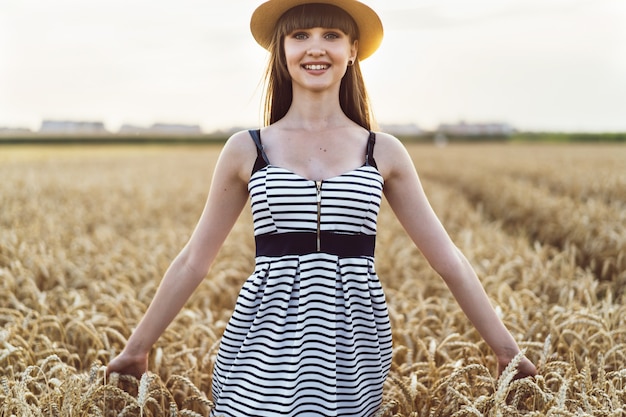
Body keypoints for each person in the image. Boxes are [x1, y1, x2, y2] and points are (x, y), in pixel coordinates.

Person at [106, 0, 537, 415]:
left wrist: (507, 351)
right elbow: (193, 261)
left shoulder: (382, 152)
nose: (315, 47)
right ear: (283, 51)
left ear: (352, 51)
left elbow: (450, 261)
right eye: (300, 35)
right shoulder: (246, 149)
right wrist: (136, 349)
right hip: (260, 342)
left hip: (352, 350)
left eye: (331, 34)